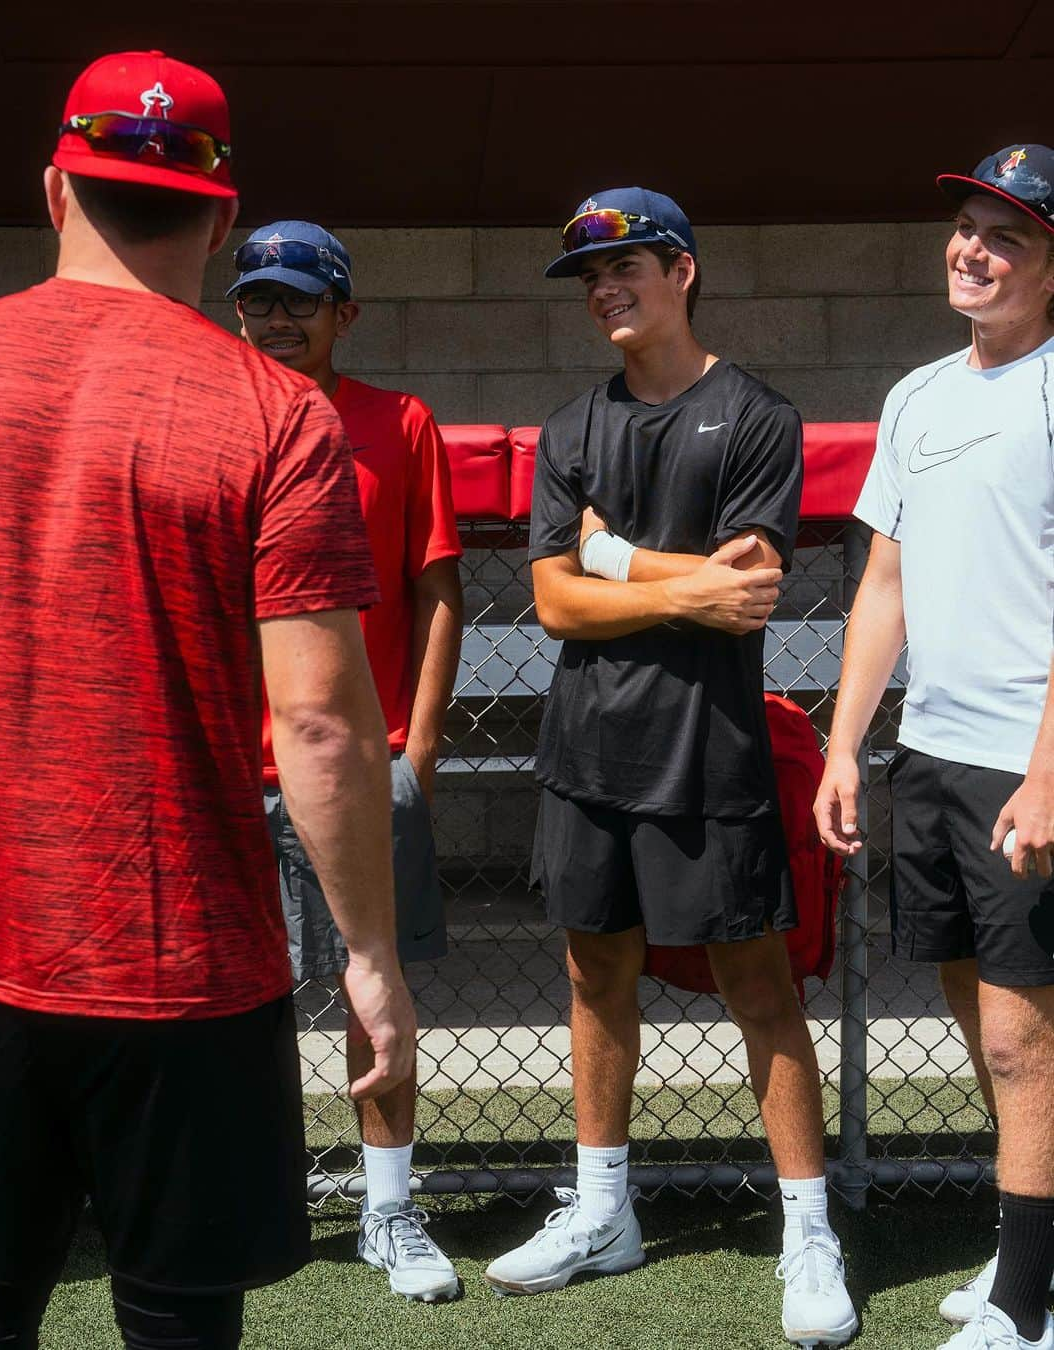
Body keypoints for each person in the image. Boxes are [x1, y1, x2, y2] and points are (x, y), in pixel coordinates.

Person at [0, 51, 415, 1350]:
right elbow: (325, 721)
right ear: (223, 219)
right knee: (176, 1323)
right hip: (181, 963)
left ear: (56, 187)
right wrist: (374, 962)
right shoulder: (278, 413)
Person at [484, 187, 858, 1346]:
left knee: (759, 985)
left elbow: (746, 595)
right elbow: (553, 603)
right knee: (596, 978)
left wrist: (609, 556)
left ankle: (808, 1229)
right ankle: (604, 1211)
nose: (607, 288)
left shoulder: (754, 414)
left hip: (714, 754)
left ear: (682, 272)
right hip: (591, 751)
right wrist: (653, 578)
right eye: (590, 275)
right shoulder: (570, 429)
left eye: (628, 265)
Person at [814, 144, 1054, 1350]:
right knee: (982, 1018)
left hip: (1032, 755)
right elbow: (885, 584)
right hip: (936, 754)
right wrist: (847, 744)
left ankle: (1026, 1303)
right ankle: (1034, 1258)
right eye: (966, 227)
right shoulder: (918, 396)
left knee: (1024, 1036)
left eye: (1006, 235)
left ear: (1053, 266)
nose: (975, 251)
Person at [229, 223, 464, 1303]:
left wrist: (417, 746)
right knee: (231, 1005)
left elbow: (436, 591)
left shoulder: (396, 422)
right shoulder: (213, 416)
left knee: (376, 994)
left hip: (360, 769)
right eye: (259, 301)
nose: (278, 321)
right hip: (231, 769)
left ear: (344, 314)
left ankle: (389, 1210)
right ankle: (249, 1201)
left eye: (299, 303)